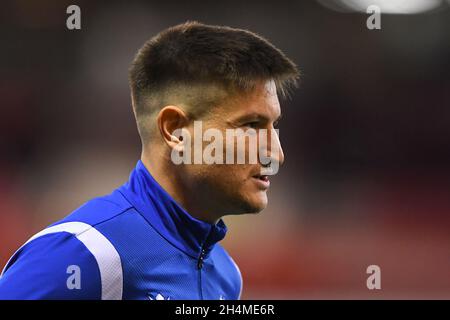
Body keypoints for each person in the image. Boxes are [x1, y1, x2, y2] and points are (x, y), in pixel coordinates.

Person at [0, 21, 299, 300]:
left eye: (274, 126)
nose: (275, 154)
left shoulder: (226, 275)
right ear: (175, 130)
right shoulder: (85, 254)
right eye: (250, 126)